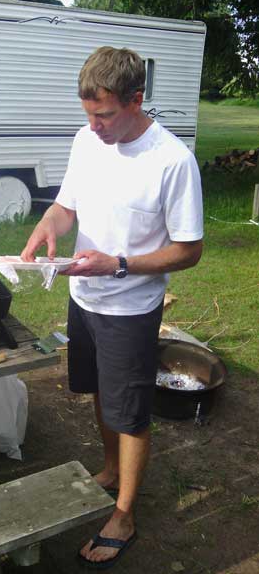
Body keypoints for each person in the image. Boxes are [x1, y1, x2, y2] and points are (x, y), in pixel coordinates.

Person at [21, 46, 203, 568]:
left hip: (128, 306)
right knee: (100, 391)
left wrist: (118, 265)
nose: (95, 126)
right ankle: (110, 468)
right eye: (88, 114)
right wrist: (45, 229)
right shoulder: (87, 140)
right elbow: (65, 206)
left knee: (131, 412)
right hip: (83, 295)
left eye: (104, 114)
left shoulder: (171, 160)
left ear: (135, 99)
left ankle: (124, 514)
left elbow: (188, 250)